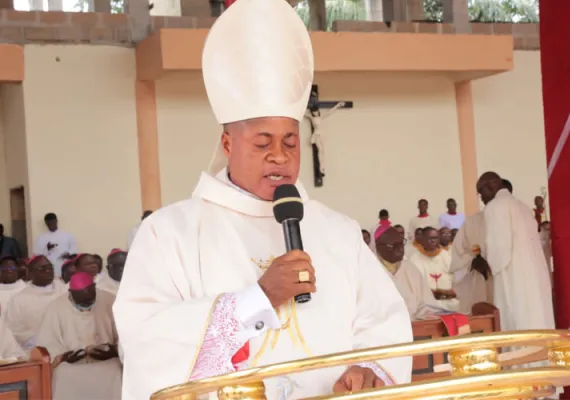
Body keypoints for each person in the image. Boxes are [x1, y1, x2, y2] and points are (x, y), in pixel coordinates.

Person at [113, 1, 413, 398]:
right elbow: (146, 340)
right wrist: (258, 299)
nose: (280, 156)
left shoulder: (337, 232)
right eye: (262, 143)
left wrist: (369, 369)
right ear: (227, 143)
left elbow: (383, 321)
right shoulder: (168, 235)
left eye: (290, 142)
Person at [476, 172, 555, 332]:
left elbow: (498, 249)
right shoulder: (523, 207)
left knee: (516, 318)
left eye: (481, 192)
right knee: (535, 315)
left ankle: (519, 356)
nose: (482, 198)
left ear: (490, 186)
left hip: (513, 275)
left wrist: (485, 262)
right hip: (533, 274)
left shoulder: (495, 207)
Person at [37, 272, 121, 400]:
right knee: (63, 374)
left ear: (94, 288)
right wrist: (63, 356)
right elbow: (47, 341)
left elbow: (126, 335)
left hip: (107, 362)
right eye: (82, 303)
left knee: (115, 370)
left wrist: (114, 351)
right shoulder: (56, 307)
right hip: (70, 365)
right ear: (71, 292)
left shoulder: (110, 301)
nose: (86, 306)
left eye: (90, 302)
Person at [374, 223, 437, 320]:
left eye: (401, 243)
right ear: (378, 247)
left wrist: (423, 319)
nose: (400, 248)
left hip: (415, 329)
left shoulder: (411, 269)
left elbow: (427, 303)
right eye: (393, 245)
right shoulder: (368, 270)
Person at [5, 255, 66, 350]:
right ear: (30, 273)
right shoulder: (19, 299)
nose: (48, 271)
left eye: (50, 267)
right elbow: (14, 329)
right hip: (37, 350)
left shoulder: (65, 291)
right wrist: (38, 340)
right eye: (42, 268)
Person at [449, 212, 494, 314]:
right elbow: (458, 253)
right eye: (480, 194)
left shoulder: (519, 217)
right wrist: (472, 261)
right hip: (479, 284)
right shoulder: (472, 222)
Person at [409, 227, 459, 311]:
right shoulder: (414, 259)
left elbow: (457, 279)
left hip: (450, 303)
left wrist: (449, 293)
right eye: (429, 238)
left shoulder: (447, 256)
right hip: (427, 305)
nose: (433, 241)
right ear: (422, 240)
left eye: (435, 238)